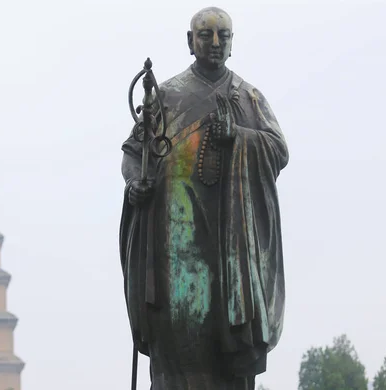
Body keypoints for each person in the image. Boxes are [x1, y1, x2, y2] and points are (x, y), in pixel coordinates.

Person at [119, 6, 289, 390]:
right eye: (206, 35)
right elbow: (134, 154)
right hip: (174, 240)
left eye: (223, 37)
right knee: (176, 340)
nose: (215, 44)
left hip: (230, 245)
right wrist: (136, 185)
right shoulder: (165, 96)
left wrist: (240, 138)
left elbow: (278, 150)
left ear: (231, 44)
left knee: (224, 340)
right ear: (190, 41)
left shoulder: (248, 98)